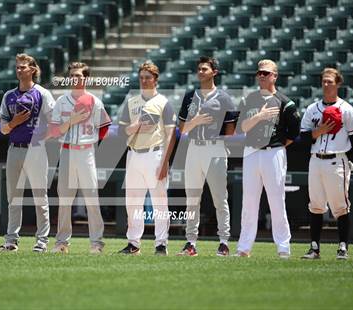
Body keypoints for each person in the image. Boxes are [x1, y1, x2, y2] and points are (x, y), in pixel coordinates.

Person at [236, 59, 300, 258]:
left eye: (266, 73)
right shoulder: (249, 100)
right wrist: (259, 116)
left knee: (276, 200)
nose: (261, 76)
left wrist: (277, 145)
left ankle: (283, 248)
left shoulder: (285, 102)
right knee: (249, 202)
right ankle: (244, 248)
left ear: (275, 76)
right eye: (259, 73)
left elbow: (293, 133)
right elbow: (241, 128)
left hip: (274, 152)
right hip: (251, 152)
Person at [47, 62, 111, 254]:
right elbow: (53, 130)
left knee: (92, 198)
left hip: (86, 152)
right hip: (66, 150)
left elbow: (105, 128)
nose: (76, 78)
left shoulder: (95, 101)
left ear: (86, 78)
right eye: (73, 75)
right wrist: (72, 121)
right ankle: (62, 243)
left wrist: (89, 141)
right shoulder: (61, 101)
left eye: (79, 75)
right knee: (65, 199)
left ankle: (96, 243)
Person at [177, 56, 238, 256]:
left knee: (220, 198)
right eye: (199, 69)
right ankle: (191, 242)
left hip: (215, 148)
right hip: (194, 148)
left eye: (205, 69)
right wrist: (196, 122)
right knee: (192, 198)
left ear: (214, 72)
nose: (201, 72)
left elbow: (231, 131)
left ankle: (224, 241)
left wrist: (212, 129)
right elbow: (182, 129)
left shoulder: (224, 98)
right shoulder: (189, 96)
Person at [0, 54, 55, 253]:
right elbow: (3, 128)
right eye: (18, 67)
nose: (19, 70)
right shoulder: (9, 95)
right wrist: (14, 123)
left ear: (33, 70)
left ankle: (42, 241)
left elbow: (54, 124)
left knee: (40, 197)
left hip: (35, 149)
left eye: (23, 67)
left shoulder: (42, 93)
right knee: (13, 197)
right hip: (15, 148)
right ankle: (11, 241)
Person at [118, 62, 176, 255]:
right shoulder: (132, 102)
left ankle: (161, 244)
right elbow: (121, 132)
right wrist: (135, 127)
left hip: (155, 153)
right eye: (142, 77)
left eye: (148, 77)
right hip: (133, 154)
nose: (144, 80)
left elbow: (170, 135)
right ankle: (133, 243)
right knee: (133, 202)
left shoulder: (163, 102)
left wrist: (165, 161)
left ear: (155, 79)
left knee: (159, 202)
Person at [300, 68, 353, 260]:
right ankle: (314, 248)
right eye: (324, 81)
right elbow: (303, 139)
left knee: (340, 206)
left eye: (330, 81)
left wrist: (352, 162)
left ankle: (343, 247)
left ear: (338, 83)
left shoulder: (347, 110)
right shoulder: (312, 109)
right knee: (315, 205)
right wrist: (319, 131)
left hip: (337, 159)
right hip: (315, 160)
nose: (326, 85)